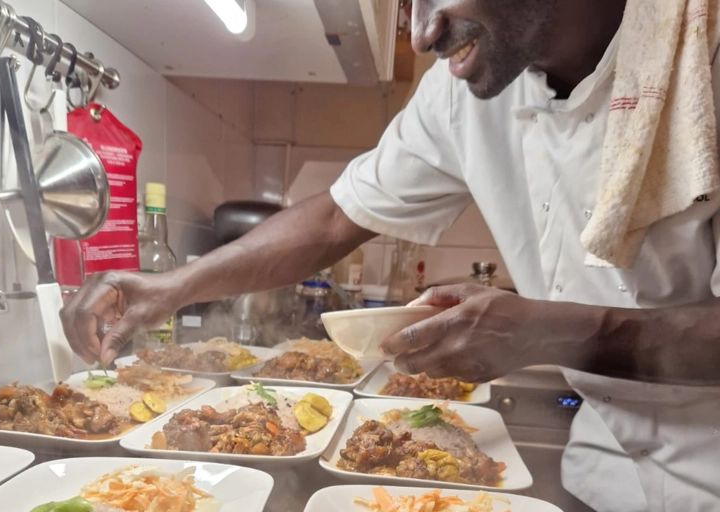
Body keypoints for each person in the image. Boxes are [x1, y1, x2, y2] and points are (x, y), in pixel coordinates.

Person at [61, 1, 720, 510]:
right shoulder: (464, 88)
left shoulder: (703, 56)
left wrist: (551, 331)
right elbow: (334, 218)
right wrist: (172, 287)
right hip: (601, 473)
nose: (422, 34)